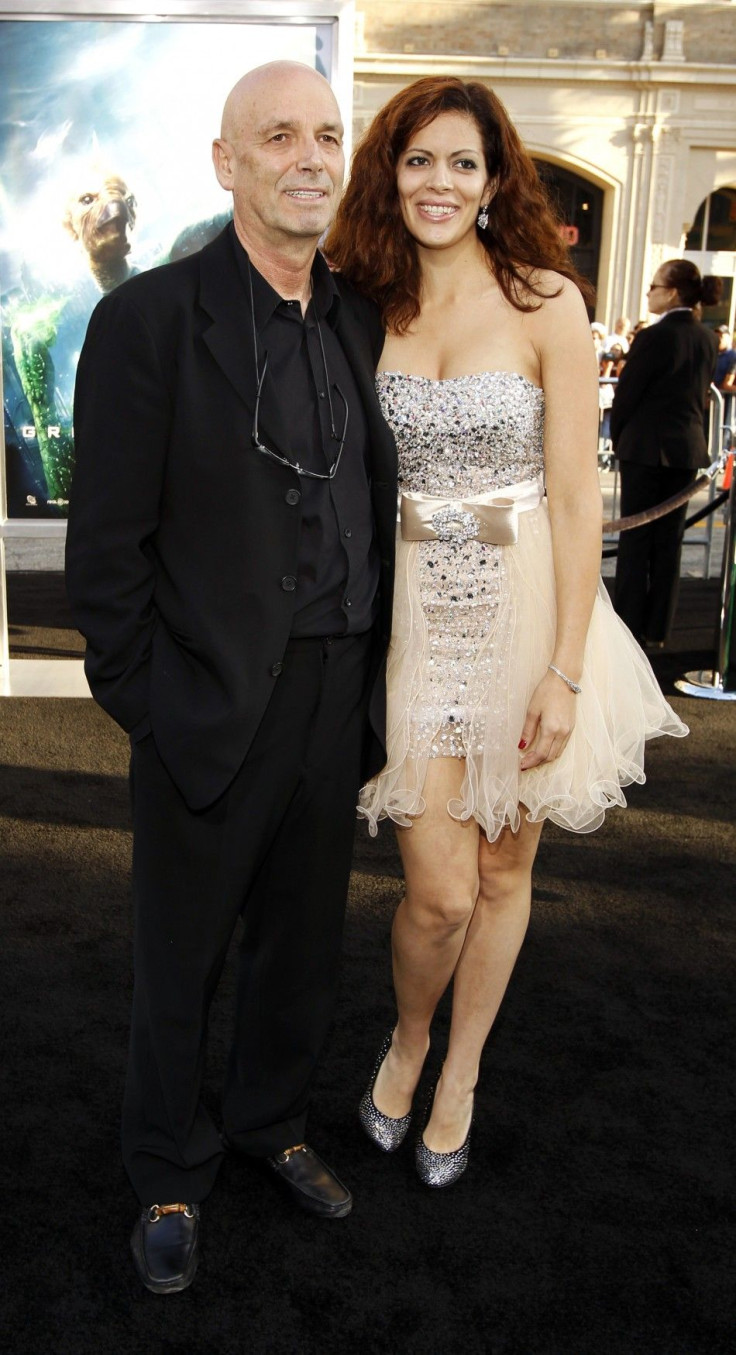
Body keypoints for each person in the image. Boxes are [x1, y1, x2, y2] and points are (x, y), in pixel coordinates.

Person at [65, 61, 397, 1293]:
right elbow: (104, 560)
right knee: (180, 956)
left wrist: (366, 696)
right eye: (277, 137)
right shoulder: (149, 321)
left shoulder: (362, 318)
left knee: (303, 947)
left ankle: (270, 1122)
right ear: (226, 163)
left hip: (334, 698)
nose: (309, 156)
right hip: (206, 705)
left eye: (326, 135)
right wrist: (154, 702)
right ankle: (166, 1164)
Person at [326, 76, 687, 1188]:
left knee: (502, 867)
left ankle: (459, 1071)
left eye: (463, 163)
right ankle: (407, 1033)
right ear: (391, 172)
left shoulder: (545, 302)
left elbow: (577, 496)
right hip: (412, 613)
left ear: (493, 181)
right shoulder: (359, 297)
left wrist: (566, 669)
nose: (440, 182)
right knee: (433, 887)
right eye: (419, 159)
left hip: (526, 599)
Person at [611, 259, 720, 646]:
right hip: (687, 450)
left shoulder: (654, 337)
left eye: (653, 287)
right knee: (669, 543)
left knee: (636, 539)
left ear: (671, 292)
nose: (649, 294)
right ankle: (659, 629)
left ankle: (627, 626)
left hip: (644, 450)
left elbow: (627, 394)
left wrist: (619, 435)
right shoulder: (708, 339)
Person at [714, 324, 736, 392]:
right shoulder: (712, 355)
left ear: (728, 338)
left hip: (725, 397)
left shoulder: (732, 356)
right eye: (716, 337)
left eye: (721, 336)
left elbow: (727, 384)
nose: (718, 339)